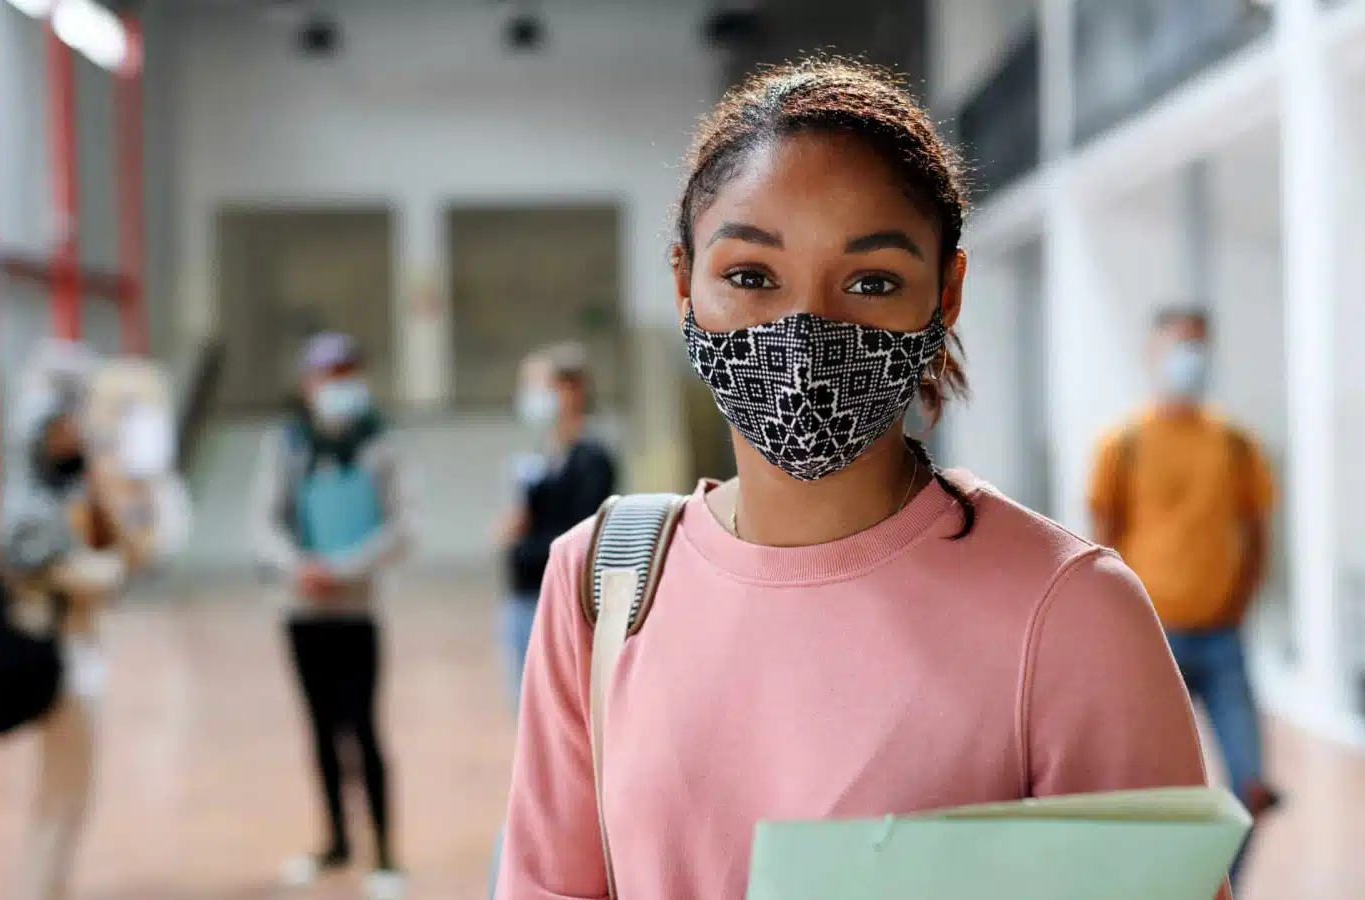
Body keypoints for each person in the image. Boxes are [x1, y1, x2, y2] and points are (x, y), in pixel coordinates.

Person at [496, 59, 1225, 900]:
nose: (805, 332)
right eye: (750, 276)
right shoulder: (603, 583)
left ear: (945, 293)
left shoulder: (1069, 611)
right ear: (682, 285)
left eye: (872, 281)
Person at [1087, 308, 1279, 873]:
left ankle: (1221, 888)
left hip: (1223, 642)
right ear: (1152, 353)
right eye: (1178, 346)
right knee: (1143, 795)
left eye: (1199, 346)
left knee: (1250, 786)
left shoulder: (1237, 443)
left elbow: (1259, 534)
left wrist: (1238, 603)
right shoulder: (1122, 443)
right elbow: (1102, 544)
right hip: (1153, 641)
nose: (1189, 358)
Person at [0, 342, 160, 900]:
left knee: (68, 797)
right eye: (63, 426)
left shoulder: (68, 495)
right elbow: (81, 574)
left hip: (78, 652)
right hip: (55, 659)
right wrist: (108, 565)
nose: (76, 434)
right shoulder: (28, 508)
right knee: (60, 799)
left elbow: (125, 556)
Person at [253, 333, 412, 900]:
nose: (337, 386)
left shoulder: (380, 447)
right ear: (307, 383)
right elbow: (265, 522)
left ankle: (385, 852)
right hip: (301, 609)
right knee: (319, 729)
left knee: (363, 728)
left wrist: (343, 569)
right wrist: (298, 566)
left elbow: (401, 529)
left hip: (355, 610)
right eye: (327, 375)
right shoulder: (287, 446)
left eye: (347, 373)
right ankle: (336, 840)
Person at [497, 343, 618, 704]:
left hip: (557, 597)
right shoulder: (541, 455)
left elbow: (580, 534)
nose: (533, 396)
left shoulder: (593, 459)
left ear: (572, 389)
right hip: (522, 594)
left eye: (541, 385)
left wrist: (522, 539)